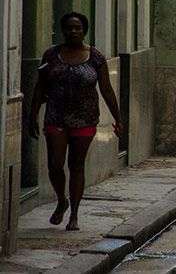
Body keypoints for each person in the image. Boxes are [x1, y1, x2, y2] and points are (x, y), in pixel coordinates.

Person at [28, 12, 122, 231]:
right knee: (55, 164)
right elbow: (40, 87)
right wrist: (32, 115)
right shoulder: (51, 55)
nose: (73, 32)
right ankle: (62, 199)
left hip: (85, 119)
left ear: (84, 30)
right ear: (63, 30)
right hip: (56, 116)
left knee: (76, 165)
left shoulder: (96, 57)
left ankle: (74, 215)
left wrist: (118, 118)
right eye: (69, 28)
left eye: (77, 28)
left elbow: (106, 90)